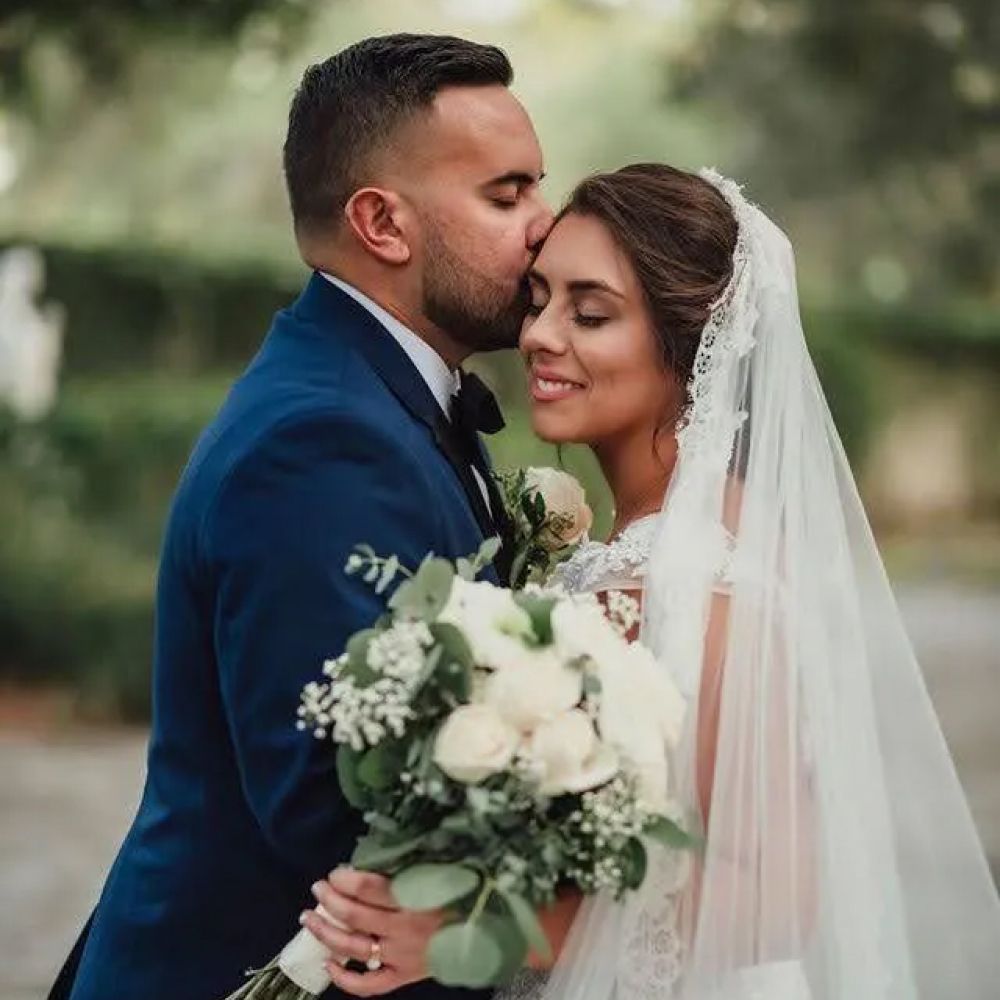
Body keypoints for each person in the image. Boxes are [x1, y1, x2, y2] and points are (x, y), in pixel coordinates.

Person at [308, 164, 1000, 998]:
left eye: (590, 313)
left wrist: (473, 928)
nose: (539, 335)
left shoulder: (704, 578)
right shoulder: (679, 539)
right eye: (538, 300)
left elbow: (777, 897)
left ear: (690, 347)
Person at [48, 33, 552, 1000]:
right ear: (382, 223)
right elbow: (334, 802)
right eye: (507, 195)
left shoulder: (379, 396)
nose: (545, 224)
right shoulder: (321, 440)